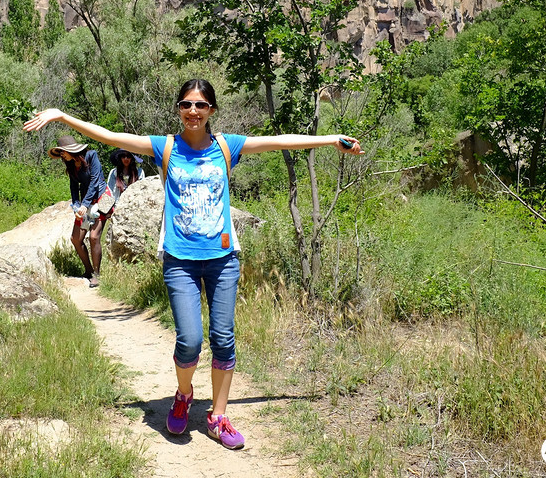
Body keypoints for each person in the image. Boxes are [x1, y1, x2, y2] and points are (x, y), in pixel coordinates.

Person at [24, 79, 363, 450]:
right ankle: (184, 395)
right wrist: (62, 116)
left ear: (212, 111)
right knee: (189, 340)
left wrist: (330, 139)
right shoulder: (165, 147)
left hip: (223, 260)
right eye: (186, 105)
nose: (193, 111)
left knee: (224, 339)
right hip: (179, 261)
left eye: (201, 105)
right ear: (179, 110)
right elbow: (107, 135)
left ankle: (218, 417)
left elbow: (279, 141)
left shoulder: (225, 147)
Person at [48, 134, 110, 288]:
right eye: (60, 153)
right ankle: (88, 270)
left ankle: (97, 274)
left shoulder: (91, 156)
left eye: (63, 152)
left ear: (71, 150)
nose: (62, 155)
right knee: (76, 238)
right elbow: (74, 187)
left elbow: (95, 181)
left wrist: (85, 203)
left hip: (103, 198)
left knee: (94, 237)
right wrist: (76, 206)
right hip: (85, 202)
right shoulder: (70, 165)